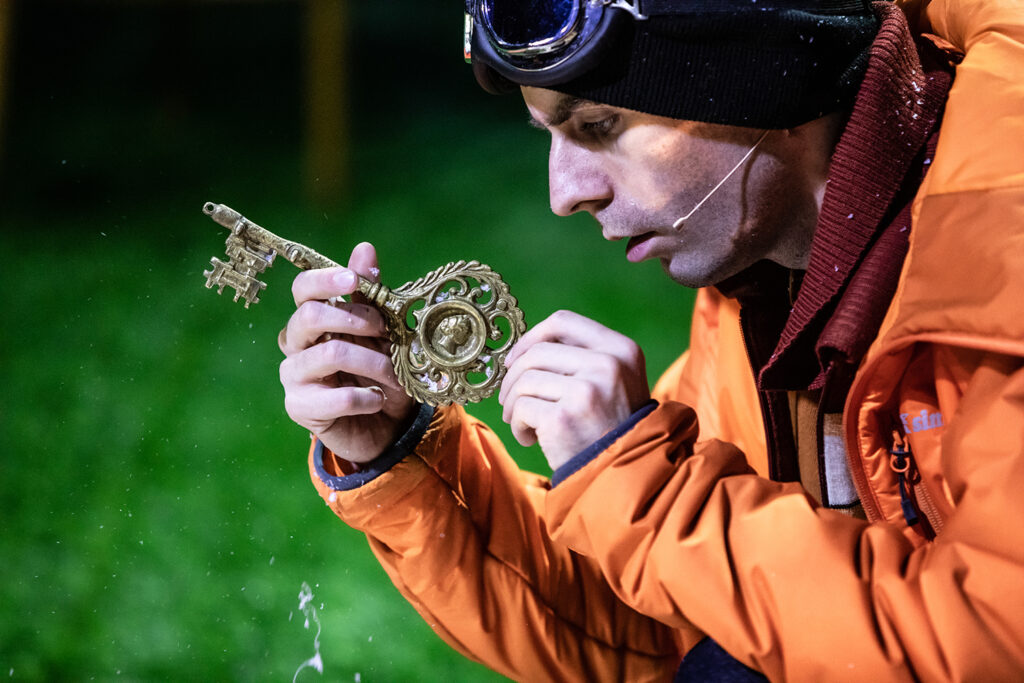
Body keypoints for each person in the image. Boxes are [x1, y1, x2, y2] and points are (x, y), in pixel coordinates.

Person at [277, 0, 1024, 679]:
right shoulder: (764, 290)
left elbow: (989, 642)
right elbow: (663, 626)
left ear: (763, 78)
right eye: (549, 135)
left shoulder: (1002, 259)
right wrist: (404, 445)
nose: (564, 193)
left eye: (598, 125)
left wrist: (650, 494)